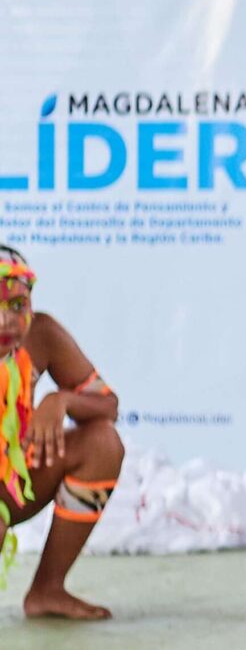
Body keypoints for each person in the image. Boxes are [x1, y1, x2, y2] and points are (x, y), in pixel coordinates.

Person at [0, 245, 125, 621]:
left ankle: (47, 590)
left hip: (14, 483)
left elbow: (108, 405)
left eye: (18, 306)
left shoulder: (42, 335)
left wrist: (60, 401)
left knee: (102, 443)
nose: (7, 320)